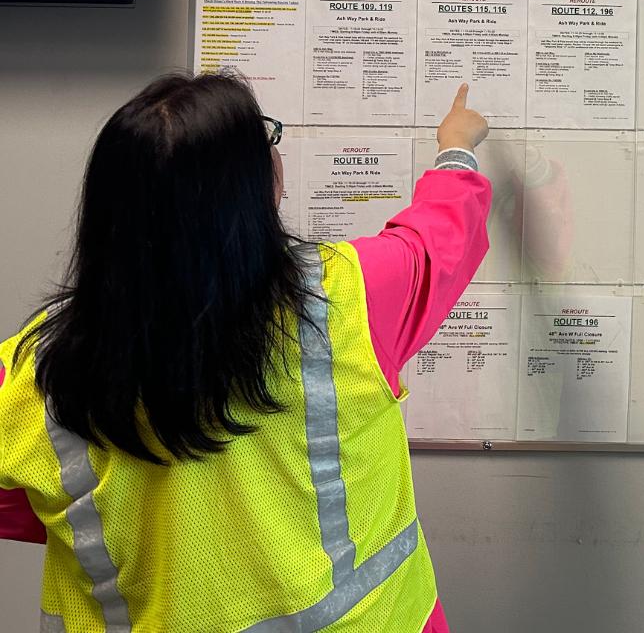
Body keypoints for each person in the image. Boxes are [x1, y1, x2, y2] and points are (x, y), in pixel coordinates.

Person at [0, 72, 492, 632]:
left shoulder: (32, 372)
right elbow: (438, 241)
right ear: (258, 187)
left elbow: (30, 505)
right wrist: (456, 152)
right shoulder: (349, 300)